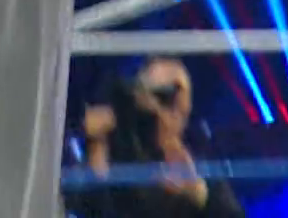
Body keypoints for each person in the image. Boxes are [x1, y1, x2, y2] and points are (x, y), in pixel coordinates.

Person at [66, 58, 244, 218]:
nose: (165, 114)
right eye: (160, 97)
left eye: (172, 98)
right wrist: (97, 152)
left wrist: (199, 194)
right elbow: (83, 204)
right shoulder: (119, 141)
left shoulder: (198, 163)